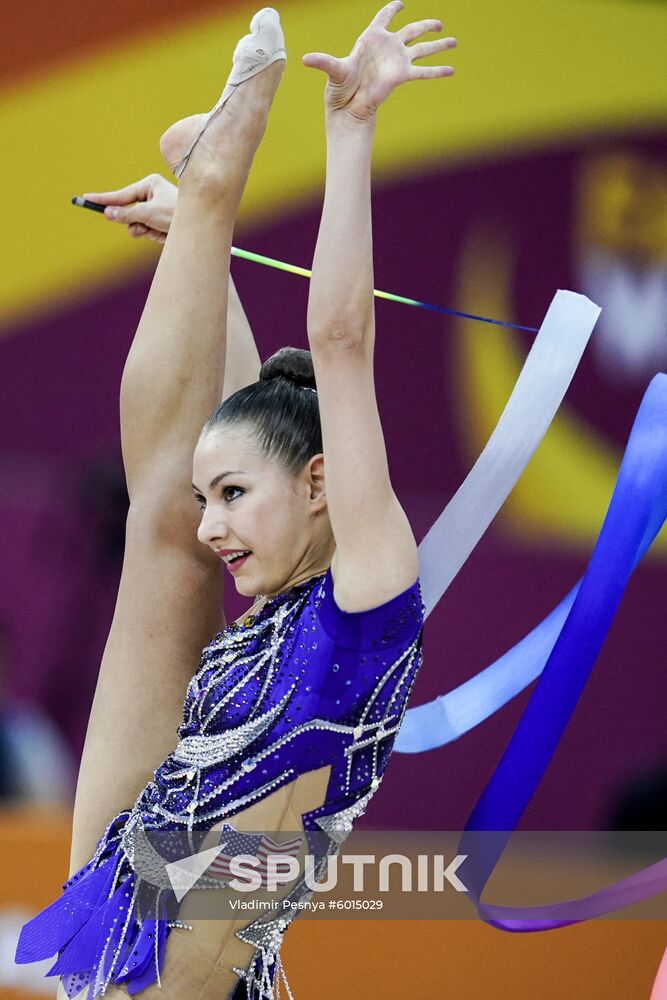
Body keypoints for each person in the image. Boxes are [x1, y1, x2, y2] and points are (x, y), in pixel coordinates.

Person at [15, 4, 456, 998]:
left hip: (161, 926)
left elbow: (341, 341)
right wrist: (207, 243)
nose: (217, 520)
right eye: (218, 494)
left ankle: (205, 201)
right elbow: (264, 414)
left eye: (235, 496)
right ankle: (205, 196)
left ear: (319, 482)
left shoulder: (369, 590)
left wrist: (352, 136)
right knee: (164, 525)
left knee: (163, 526)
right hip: (156, 891)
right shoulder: (292, 596)